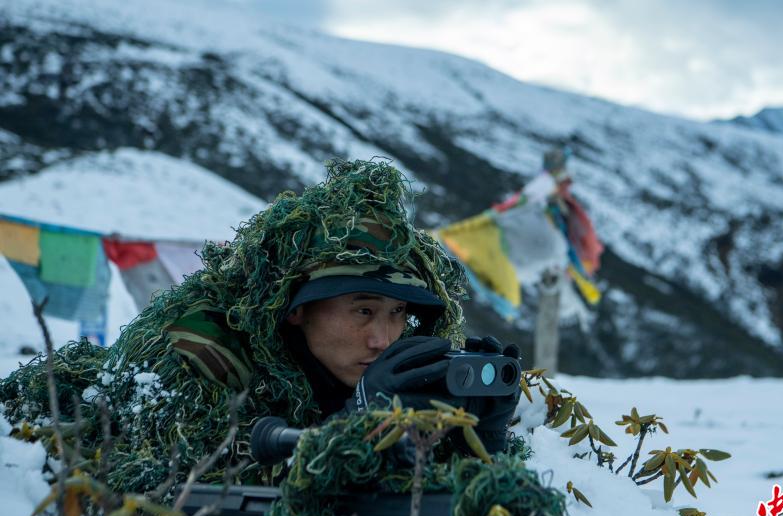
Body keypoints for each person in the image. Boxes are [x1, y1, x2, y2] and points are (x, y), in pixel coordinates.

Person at [0, 158, 520, 496]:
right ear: (297, 308)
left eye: (397, 314)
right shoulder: (198, 349)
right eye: (363, 311)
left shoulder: (383, 366)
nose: (382, 339)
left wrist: (484, 437)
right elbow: (182, 496)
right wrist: (353, 427)